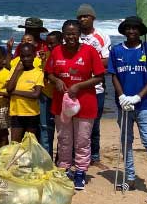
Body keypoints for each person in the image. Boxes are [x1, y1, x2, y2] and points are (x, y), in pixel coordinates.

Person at [108, 16, 147, 203]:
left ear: (140, 31)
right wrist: (122, 96)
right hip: (124, 106)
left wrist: (138, 97)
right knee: (126, 142)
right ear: (124, 31)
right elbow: (114, 76)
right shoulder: (116, 50)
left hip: (145, 106)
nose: (131, 31)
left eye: (135, 28)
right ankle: (130, 179)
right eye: (128, 28)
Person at [45, 19, 105, 190]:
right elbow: (48, 73)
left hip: (85, 102)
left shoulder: (90, 51)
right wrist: (55, 80)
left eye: (74, 33)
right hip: (61, 103)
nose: (71, 37)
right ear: (63, 35)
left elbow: (100, 76)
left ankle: (80, 171)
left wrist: (79, 86)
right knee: (64, 138)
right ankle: (64, 169)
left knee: (82, 140)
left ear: (79, 35)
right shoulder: (56, 51)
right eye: (67, 33)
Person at [77, 3, 111, 166]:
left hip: (96, 87)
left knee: (94, 123)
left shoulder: (102, 36)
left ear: (93, 18)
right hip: (74, 88)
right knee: (75, 123)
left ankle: (95, 156)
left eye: (85, 16)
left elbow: (107, 60)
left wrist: (85, 63)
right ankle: (76, 155)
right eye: (80, 17)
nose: (82, 19)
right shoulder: (72, 35)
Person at [6, 43, 43, 143]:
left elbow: (36, 95)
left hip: (32, 114)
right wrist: (17, 71)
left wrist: (15, 92)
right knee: (15, 143)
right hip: (16, 113)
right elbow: (9, 89)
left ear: (34, 55)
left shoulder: (38, 73)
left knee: (29, 144)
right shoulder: (14, 70)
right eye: (23, 56)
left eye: (28, 56)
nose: (26, 59)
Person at [39, 31, 62, 155]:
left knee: (62, 130)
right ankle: (46, 158)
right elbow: (41, 75)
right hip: (45, 95)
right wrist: (42, 61)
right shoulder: (44, 55)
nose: (50, 46)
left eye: (52, 43)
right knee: (44, 127)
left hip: (60, 96)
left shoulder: (64, 55)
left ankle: (61, 159)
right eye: (48, 44)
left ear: (60, 42)